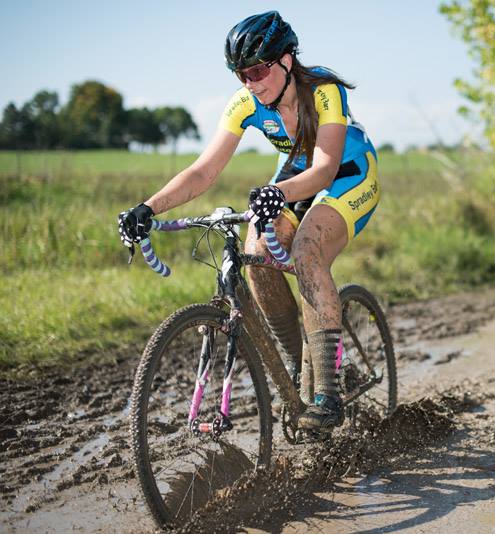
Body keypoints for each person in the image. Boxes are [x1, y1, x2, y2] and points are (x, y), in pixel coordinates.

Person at [118, 11, 380, 433]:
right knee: (257, 252)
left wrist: (280, 193)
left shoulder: (324, 92)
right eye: (241, 74)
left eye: (258, 70)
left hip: (348, 175)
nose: (251, 82)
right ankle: (300, 367)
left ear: (286, 60)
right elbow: (204, 172)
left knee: (308, 251)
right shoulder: (246, 104)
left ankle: (328, 394)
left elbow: (326, 168)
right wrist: (148, 207)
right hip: (295, 178)